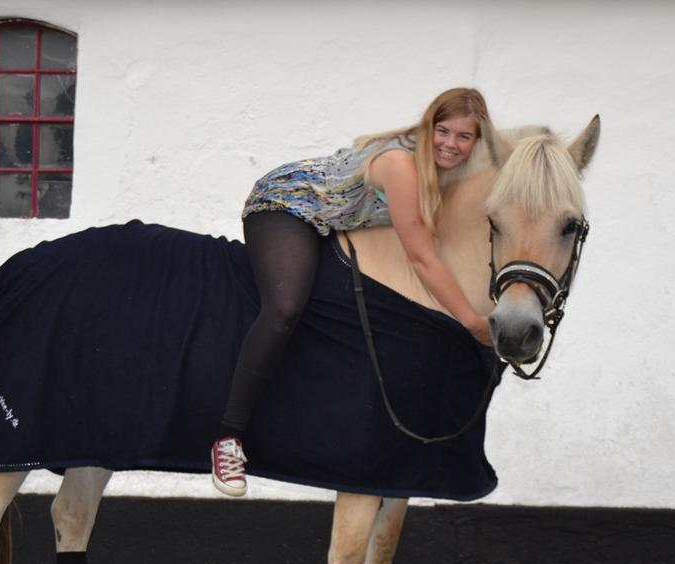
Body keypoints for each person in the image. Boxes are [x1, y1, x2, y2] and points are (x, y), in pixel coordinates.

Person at [211, 87, 494, 497]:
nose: (450, 144)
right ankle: (227, 437)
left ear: (476, 142)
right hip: (289, 204)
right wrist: (471, 322)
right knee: (284, 309)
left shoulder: (444, 174)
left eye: (463, 137)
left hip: (331, 222)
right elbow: (422, 256)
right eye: (443, 131)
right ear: (428, 126)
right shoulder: (401, 164)